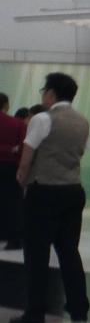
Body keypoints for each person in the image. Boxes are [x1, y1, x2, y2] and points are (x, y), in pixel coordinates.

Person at [11, 73, 90, 323]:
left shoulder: (42, 119)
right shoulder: (83, 121)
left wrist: (22, 180)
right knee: (69, 251)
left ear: (51, 93)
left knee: (37, 253)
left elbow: (27, 157)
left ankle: (35, 312)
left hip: (44, 190)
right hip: (73, 189)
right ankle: (79, 308)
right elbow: (78, 152)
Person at [0, 93, 24, 250]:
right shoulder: (18, 124)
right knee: (13, 203)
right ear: (6, 105)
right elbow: (22, 147)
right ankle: (14, 239)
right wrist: (11, 149)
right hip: (11, 167)